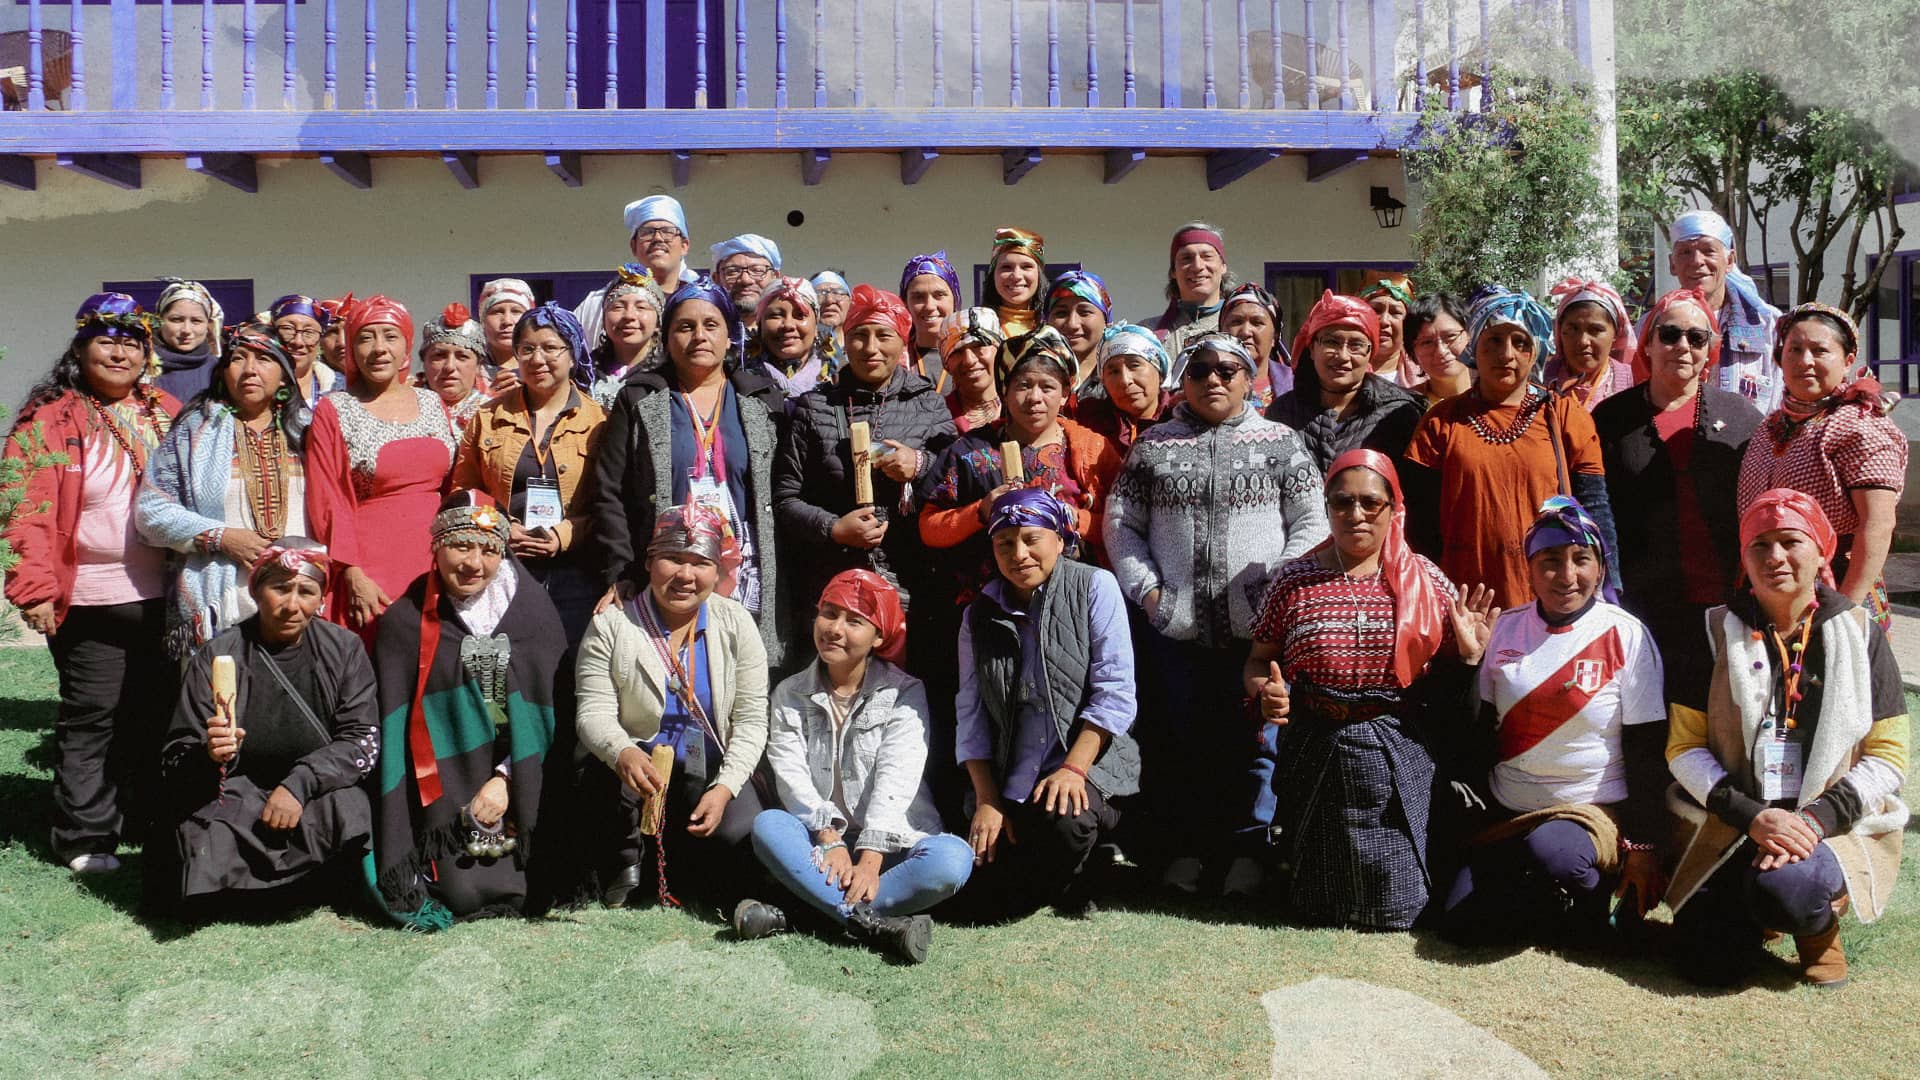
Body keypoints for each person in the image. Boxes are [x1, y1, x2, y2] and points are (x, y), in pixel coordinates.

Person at [1104, 332, 1328, 893]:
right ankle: (1187, 850)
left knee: (1256, 743)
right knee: (1180, 740)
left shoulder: (1281, 442)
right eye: (1200, 370)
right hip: (1174, 629)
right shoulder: (1154, 446)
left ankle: (1249, 851)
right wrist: (1149, 593)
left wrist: (1278, 591)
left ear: (1249, 378)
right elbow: (1121, 524)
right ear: (1184, 379)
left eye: (1228, 370)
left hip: (1257, 633)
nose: (1213, 379)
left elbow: (1312, 521)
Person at [1665, 489, 1909, 988]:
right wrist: (1754, 817)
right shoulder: (1711, 631)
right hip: (1733, 820)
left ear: (1821, 552)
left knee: (1790, 890)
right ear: (1743, 558)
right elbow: (1684, 748)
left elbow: (1889, 756)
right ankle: (1756, 907)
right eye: (1760, 545)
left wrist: (1811, 823)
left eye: (1790, 541)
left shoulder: (1861, 633)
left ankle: (1817, 928)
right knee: (1707, 966)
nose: (1774, 556)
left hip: (1829, 824)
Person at [1246, 450, 1492, 926]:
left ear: (1393, 507)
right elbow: (1259, 659)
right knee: (1317, 888)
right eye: (1342, 502)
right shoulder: (1294, 580)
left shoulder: (1427, 581)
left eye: (1370, 502)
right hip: (1315, 745)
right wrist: (1264, 693)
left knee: (1396, 888)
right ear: (1327, 507)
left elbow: (1450, 687)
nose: (1355, 514)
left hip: (1397, 747)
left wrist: (1469, 654)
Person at [4, 294, 181, 874]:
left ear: (147, 355)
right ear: (80, 350)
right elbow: (24, 509)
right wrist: (33, 588)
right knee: (93, 716)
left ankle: (140, 817)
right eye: (106, 341)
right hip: (89, 598)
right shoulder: (49, 418)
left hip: (164, 596)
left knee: (151, 712)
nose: (120, 353)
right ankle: (84, 836)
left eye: (131, 343)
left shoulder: (166, 411)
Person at [1439, 497, 1668, 946]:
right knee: (1459, 924)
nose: (1566, 576)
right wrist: (1469, 661)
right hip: (1510, 811)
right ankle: (1542, 902)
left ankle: (1589, 901)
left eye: (1581, 559)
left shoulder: (1626, 634)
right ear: (1528, 569)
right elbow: (1471, 734)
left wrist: (1643, 847)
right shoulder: (1503, 629)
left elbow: (1647, 750)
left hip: (1588, 813)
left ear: (1600, 568)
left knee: (1555, 853)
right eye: (1550, 561)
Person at [736, 571, 973, 962]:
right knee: (768, 826)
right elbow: (791, 775)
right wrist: (829, 839)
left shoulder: (904, 692)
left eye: (854, 621)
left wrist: (871, 858)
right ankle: (876, 925)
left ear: (879, 637)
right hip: (822, 847)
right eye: (829, 614)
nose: (835, 629)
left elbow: (898, 775)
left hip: (891, 846)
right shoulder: (789, 693)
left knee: (953, 859)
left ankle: (799, 914)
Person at [367, 492, 566, 929]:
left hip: (524, 778)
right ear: (436, 547)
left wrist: (507, 779)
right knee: (461, 893)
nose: (474, 563)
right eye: (461, 546)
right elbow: (397, 736)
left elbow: (550, 715)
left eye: (489, 550)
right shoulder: (404, 622)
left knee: (532, 886)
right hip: (445, 785)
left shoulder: (532, 613)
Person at [152, 543, 378, 918]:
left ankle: (291, 888)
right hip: (240, 791)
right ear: (256, 591)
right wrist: (210, 752)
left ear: (321, 598)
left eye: (306, 592)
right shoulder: (218, 653)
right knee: (202, 828)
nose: (292, 605)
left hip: (313, 791)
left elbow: (361, 740)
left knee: (349, 806)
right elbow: (176, 754)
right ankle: (267, 893)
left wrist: (299, 784)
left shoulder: (345, 649)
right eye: (280, 589)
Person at [575, 499, 771, 908]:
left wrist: (725, 788)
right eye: (673, 559)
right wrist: (623, 751)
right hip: (633, 777)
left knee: (741, 836)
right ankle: (627, 860)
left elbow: (752, 720)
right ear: (649, 563)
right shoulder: (611, 625)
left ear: (718, 570)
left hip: (709, 772)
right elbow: (593, 712)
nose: (686, 575)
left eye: (700, 563)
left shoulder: (737, 623)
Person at [954, 489, 1140, 917]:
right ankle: (1065, 875)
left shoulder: (1095, 586)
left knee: (1067, 822)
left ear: (1059, 539)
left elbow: (1115, 692)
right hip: (1014, 778)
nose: (1018, 554)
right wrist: (987, 800)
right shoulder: (977, 616)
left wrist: (1073, 769)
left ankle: (1083, 867)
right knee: (986, 870)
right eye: (1004, 543)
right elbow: (971, 711)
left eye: (1031, 539)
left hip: (1087, 768)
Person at [587, 276, 788, 667]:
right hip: (669, 566)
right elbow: (609, 490)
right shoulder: (640, 397)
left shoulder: (761, 400)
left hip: (744, 567)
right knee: (675, 669)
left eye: (711, 325)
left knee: (740, 672)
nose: (699, 336)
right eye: (685, 326)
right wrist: (621, 570)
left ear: (730, 336)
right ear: (666, 338)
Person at [1402, 287, 1619, 611]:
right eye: (1494, 341)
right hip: (1465, 605)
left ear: (1536, 351)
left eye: (1520, 343)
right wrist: (1434, 597)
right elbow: (1420, 526)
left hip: (1551, 603)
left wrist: (1607, 591)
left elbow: (1595, 508)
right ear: (1475, 347)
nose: (1506, 354)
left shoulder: (1565, 416)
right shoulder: (1440, 423)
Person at [1593, 288, 1762, 663]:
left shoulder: (1741, 417)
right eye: (1669, 335)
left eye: (1696, 338)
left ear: (1710, 350)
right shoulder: (1610, 419)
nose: (1683, 346)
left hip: (1728, 604)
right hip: (1641, 605)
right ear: (1648, 344)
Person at [773, 285, 954, 628]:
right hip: (833, 586)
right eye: (859, 335)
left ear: (903, 340)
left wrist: (920, 464)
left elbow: (956, 482)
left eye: (884, 336)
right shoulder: (816, 407)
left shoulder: (928, 405)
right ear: (845, 340)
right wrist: (834, 528)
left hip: (912, 583)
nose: (871, 348)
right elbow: (785, 499)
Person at [137, 321, 313, 658]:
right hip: (222, 602)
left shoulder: (308, 432)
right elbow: (151, 510)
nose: (250, 369)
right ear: (223, 372)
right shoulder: (194, 432)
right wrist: (220, 537)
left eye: (264, 359)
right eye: (238, 358)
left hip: (300, 597)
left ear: (284, 375)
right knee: (221, 685)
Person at [1736, 303, 1906, 631]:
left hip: (1838, 587)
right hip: (1772, 588)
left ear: (1848, 360)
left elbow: (1878, 524)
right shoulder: (1770, 427)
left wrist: (1844, 609)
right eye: (1795, 349)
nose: (1805, 361)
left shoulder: (1860, 426)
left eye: (1819, 350)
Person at [450, 303, 608, 647]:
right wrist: (499, 527)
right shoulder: (488, 417)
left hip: (577, 570)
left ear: (572, 354)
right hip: (502, 565)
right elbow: (464, 491)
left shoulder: (600, 421)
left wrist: (564, 535)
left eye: (550, 348)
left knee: (568, 662)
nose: (537, 359)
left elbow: (609, 500)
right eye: (527, 349)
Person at [920, 326, 1124, 592]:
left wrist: (1076, 519)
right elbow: (929, 527)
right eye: (1023, 386)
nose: (1034, 398)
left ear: (1065, 393)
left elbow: (1125, 527)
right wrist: (980, 511)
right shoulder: (970, 452)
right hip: (989, 599)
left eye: (1047, 387)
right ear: (1004, 391)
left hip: (1075, 596)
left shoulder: (1094, 450)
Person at [304, 295, 460, 639]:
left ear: (407, 346)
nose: (378, 349)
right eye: (365, 338)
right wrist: (351, 572)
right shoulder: (335, 409)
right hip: (369, 566)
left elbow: (453, 484)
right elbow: (327, 499)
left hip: (435, 558)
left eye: (390, 336)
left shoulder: (432, 401)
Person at [1266, 290, 1424, 474]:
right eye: (1331, 342)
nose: (1343, 356)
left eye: (1356, 345)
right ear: (1312, 348)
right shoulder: (1282, 414)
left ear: (1370, 353)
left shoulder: (1399, 415)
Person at [1669, 208, 1783, 413]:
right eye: (1685, 252)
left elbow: (1781, 402)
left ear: (1729, 260)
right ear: (1672, 264)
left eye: (1708, 251)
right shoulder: (1656, 325)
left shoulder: (1767, 324)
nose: (1696, 261)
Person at [1075, 322, 1175, 453]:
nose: (1125, 380)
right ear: (1103, 381)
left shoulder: (1183, 417)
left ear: (1160, 372)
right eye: (1114, 372)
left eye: (1134, 365)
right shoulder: (1087, 420)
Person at [577, 264, 667, 408]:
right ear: (604, 320)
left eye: (641, 307)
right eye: (618, 307)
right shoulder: (583, 372)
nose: (629, 316)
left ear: (658, 322)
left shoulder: (670, 373)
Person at [1544, 277, 1637, 412]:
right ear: (1559, 331)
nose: (1583, 341)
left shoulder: (1632, 382)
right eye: (1572, 329)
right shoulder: (1541, 380)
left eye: (1595, 330)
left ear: (1616, 333)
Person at [1154, 222, 1238, 356]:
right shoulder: (1148, 334)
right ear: (1173, 271)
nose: (1197, 266)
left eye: (1207, 257)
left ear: (1223, 266)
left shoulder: (1241, 328)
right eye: (1186, 258)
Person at [743, 275, 831, 402]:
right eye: (776, 315)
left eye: (800, 315)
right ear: (760, 325)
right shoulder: (738, 380)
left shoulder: (837, 380)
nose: (788, 325)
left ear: (816, 326)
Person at [1214, 282, 1295, 408]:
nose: (1246, 331)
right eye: (1236, 322)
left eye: (1257, 323)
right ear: (1221, 332)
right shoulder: (1204, 384)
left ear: (1275, 336)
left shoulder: (1297, 387)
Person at [1043, 269, 1114, 405]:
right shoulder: (1033, 374)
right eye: (1061, 313)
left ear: (1106, 320)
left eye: (1084, 312)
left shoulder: (1121, 376)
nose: (1072, 324)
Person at [416, 303, 491, 429]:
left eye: (462, 357)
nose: (450, 367)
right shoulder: (403, 408)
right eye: (439, 356)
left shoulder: (492, 413)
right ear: (424, 361)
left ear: (478, 365)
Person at [152, 278, 227, 403]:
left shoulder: (220, 371)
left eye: (196, 321)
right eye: (177, 320)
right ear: (159, 320)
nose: (186, 330)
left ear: (208, 325)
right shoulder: (140, 366)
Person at [936, 307, 1005, 435]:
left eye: (978, 346)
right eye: (957, 351)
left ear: (1000, 351)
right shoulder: (936, 417)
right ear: (946, 363)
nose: (969, 360)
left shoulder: (1022, 409)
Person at [900, 251, 965, 386]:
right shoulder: (894, 360)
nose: (929, 306)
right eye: (918, 297)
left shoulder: (974, 357)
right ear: (905, 303)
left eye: (939, 295)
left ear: (955, 299)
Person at [268, 294, 341, 406]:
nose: (298, 342)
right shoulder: (255, 386)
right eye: (288, 329)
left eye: (309, 332)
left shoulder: (340, 388)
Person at [1404, 293, 1473, 407]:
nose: (1441, 351)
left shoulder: (1497, 397)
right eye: (1427, 342)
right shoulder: (1405, 408)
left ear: (1470, 336)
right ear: (1413, 353)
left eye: (1450, 336)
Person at [981, 226, 1047, 339]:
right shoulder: (977, 326)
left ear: (1039, 274)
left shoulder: (1056, 325)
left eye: (1026, 267)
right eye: (1006, 267)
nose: (1016, 276)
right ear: (993, 274)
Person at [710, 233, 783, 333]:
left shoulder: (788, 331)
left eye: (757, 270)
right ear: (716, 279)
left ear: (775, 277)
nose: (745, 280)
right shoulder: (705, 334)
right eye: (733, 271)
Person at [1359, 277, 1422, 392]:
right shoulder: (1342, 370)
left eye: (1395, 312)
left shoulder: (1426, 372)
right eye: (1376, 310)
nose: (1384, 321)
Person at [478, 277, 535, 390]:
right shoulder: (468, 370)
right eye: (497, 312)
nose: (507, 321)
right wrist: (488, 397)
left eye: (516, 311)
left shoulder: (543, 366)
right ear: (483, 320)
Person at [811, 269, 852, 357]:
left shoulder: (862, 348)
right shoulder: (798, 349)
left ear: (850, 302)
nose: (829, 300)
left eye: (838, 292)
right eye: (819, 293)